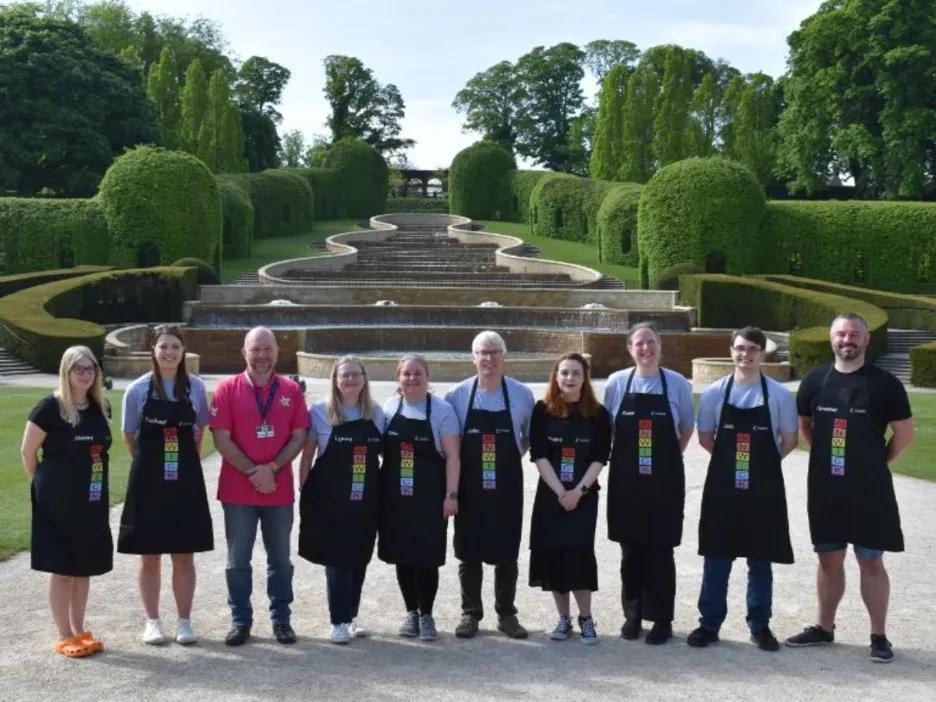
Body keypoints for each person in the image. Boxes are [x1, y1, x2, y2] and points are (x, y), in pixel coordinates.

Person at [785, 313, 914, 663]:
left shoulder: (885, 383)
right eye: (841, 334)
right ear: (832, 339)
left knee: (870, 560)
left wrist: (876, 462)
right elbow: (805, 426)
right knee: (828, 559)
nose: (847, 340)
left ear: (866, 340)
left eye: (855, 334)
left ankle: (878, 635)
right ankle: (824, 627)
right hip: (826, 487)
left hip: (870, 489)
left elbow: (904, 434)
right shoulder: (814, 381)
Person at [688, 326, 798, 651]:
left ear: (762, 353)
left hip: (763, 490)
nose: (745, 355)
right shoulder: (714, 394)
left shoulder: (778, 395)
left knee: (761, 559)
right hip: (723, 489)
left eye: (752, 349)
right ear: (731, 351)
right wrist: (734, 464)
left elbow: (789, 440)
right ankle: (709, 624)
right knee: (716, 557)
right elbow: (706, 439)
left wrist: (760, 466)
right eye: (739, 348)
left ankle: (760, 625)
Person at [209, 326, 310, 647]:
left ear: (277, 353)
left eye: (268, 349)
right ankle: (241, 621)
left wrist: (273, 469)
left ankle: (281, 619)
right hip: (238, 491)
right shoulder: (227, 389)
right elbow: (221, 438)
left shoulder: (291, 391)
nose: (262, 356)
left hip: (278, 489)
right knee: (238, 559)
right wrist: (255, 472)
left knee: (280, 558)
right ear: (244, 352)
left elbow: (299, 436)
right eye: (256, 350)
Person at [117, 325, 213, 646]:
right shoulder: (137, 390)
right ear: (153, 351)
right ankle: (153, 622)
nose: (169, 352)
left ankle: (184, 622)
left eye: (175, 346)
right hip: (148, 481)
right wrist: (150, 465)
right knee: (149, 556)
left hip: (185, 480)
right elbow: (130, 437)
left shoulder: (196, 388)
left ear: (183, 351)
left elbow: (199, 434)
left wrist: (182, 464)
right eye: (163, 347)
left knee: (184, 554)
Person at [602, 322, 694, 645]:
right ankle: (633, 615)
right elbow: (609, 430)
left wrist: (668, 460)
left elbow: (685, 430)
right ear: (630, 349)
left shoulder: (677, 384)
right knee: (630, 552)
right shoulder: (616, 383)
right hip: (626, 482)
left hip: (663, 483)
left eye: (651, 342)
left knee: (660, 551)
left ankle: (663, 620)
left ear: (660, 346)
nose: (646, 349)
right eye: (639, 343)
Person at [20, 346, 113, 658]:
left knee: (83, 566)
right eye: (78, 368)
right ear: (66, 371)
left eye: (90, 368)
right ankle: (63, 634)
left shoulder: (100, 407)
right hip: (58, 502)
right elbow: (27, 452)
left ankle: (78, 628)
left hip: (92, 499)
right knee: (61, 568)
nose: (85, 374)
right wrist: (45, 488)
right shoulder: (50, 408)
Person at [444, 331, 535, 639]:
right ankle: (470, 613)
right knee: (468, 549)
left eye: (495, 352)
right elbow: (449, 444)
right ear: (473, 357)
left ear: (504, 357)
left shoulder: (522, 394)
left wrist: (509, 457)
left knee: (507, 548)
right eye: (483, 352)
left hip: (507, 485)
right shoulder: (456, 396)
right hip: (469, 487)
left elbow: (529, 438)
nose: (489, 358)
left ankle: (507, 614)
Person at [297, 356, 384, 645]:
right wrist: (305, 490)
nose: (350, 380)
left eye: (355, 374)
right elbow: (308, 454)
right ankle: (337, 621)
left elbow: (386, 457)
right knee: (336, 560)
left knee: (359, 557)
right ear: (335, 379)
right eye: (344, 375)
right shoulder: (320, 412)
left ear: (364, 379)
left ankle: (351, 616)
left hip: (365, 498)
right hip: (329, 498)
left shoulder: (377, 413)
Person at [528, 353, 611, 645]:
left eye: (576, 373)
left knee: (579, 555)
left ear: (585, 377)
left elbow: (601, 456)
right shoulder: (543, 410)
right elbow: (538, 453)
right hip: (551, 495)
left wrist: (578, 492)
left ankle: (586, 618)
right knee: (553, 554)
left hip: (583, 497)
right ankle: (563, 619)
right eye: (564, 373)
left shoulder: (599, 414)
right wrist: (560, 491)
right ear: (556, 376)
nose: (570, 378)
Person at [379, 355, 461, 642]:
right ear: (398, 379)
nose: (412, 378)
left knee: (427, 558)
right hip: (396, 497)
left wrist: (451, 495)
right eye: (407, 374)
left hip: (430, 496)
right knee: (403, 555)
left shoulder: (442, 411)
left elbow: (452, 456)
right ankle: (410, 612)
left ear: (428, 377)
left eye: (418, 373)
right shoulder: (389, 407)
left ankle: (427, 614)